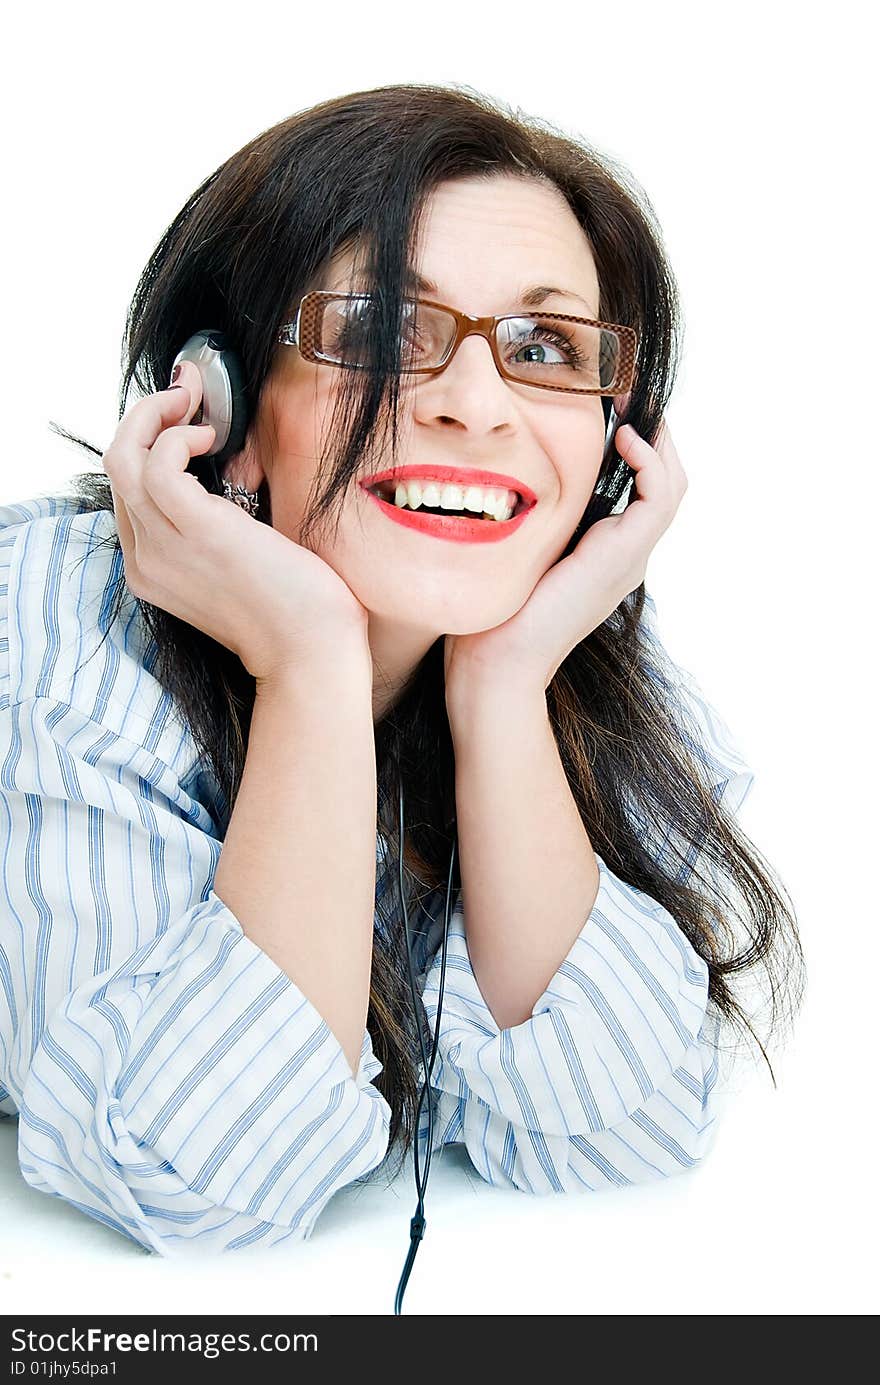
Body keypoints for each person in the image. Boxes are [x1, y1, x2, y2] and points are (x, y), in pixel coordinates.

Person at [0, 82, 804, 1257]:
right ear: (215, 402)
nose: (477, 407)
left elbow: (615, 1133)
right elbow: (188, 1176)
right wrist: (311, 664)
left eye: (542, 347)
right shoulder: (51, 641)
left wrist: (505, 683)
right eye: (378, 330)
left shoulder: (547, 639)